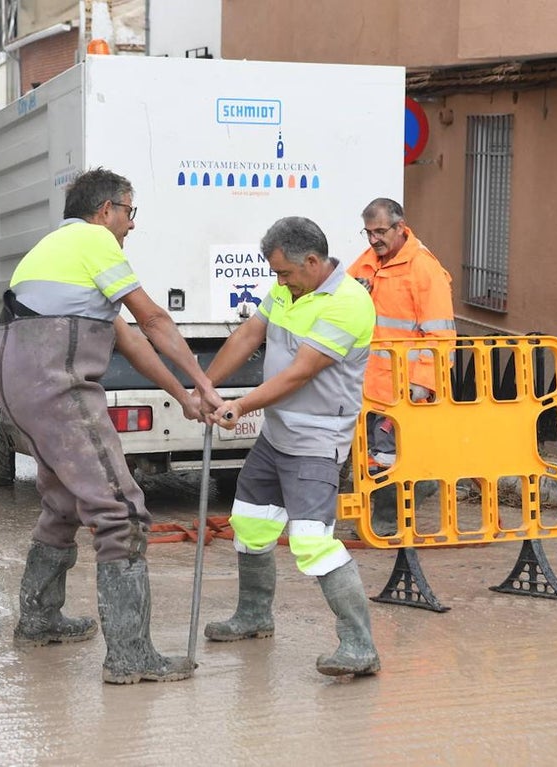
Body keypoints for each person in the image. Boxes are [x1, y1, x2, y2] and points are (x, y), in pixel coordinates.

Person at [0, 167, 223, 685]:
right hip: (56, 384)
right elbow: (154, 320)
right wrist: (206, 382)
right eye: (128, 211)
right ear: (105, 211)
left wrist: (183, 395)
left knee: (64, 501)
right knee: (122, 511)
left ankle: (40, 618)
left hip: (18, 387)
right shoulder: (96, 241)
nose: (131, 225)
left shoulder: (59, 250)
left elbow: (131, 340)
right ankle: (131, 657)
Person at [201, 216, 380, 678]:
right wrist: (204, 387)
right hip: (276, 436)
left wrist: (237, 406)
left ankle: (360, 646)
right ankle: (254, 615)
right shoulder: (288, 290)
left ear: (314, 262)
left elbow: (301, 372)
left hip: (317, 440)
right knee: (250, 523)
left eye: (284, 272)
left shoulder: (348, 303)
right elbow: (248, 335)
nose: (278, 282)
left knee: (312, 541)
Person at [347, 198, 456, 536]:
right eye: (368, 233)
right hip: (369, 386)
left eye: (380, 232)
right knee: (372, 458)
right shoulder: (366, 264)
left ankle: (385, 523)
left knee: (387, 458)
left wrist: (422, 383)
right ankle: (378, 521)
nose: (373, 239)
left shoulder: (423, 269)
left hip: (403, 388)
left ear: (399, 227)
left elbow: (440, 335)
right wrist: (353, 296)